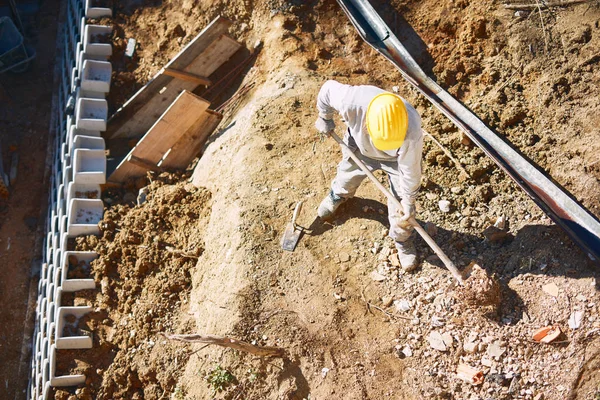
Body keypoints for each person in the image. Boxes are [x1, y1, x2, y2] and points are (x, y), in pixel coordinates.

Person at [315, 80, 424, 272]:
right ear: (367, 124)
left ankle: (402, 241)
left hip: (396, 161)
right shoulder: (352, 101)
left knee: (402, 209)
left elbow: (410, 171)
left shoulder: (412, 130)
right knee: (346, 175)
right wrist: (325, 117)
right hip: (361, 147)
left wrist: (408, 200)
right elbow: (326, 90)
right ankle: (338, 195)